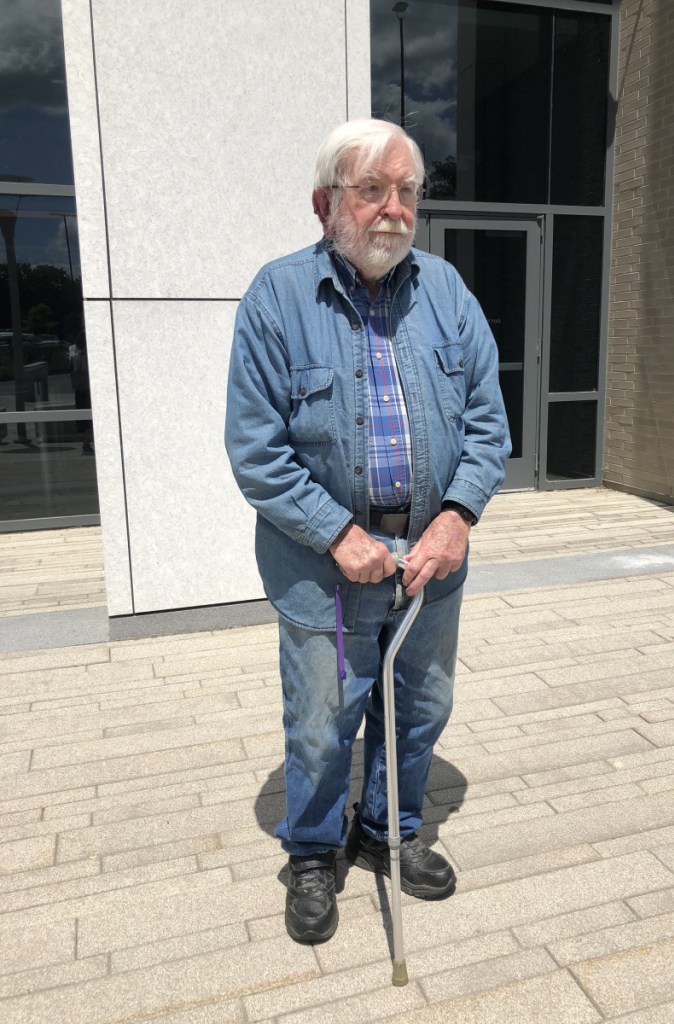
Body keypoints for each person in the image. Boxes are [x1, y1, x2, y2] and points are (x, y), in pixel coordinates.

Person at [225, 118, 510, 944]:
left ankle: (389, 828)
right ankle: (312, 851)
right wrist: (338, 534)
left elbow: (489, 426)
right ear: (325, 204)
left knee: (419, 706)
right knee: (322, 720)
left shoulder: (449, 293)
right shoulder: (276, 299)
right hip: (324, 569)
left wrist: (457, 517)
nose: (393, 209)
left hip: (431, 563)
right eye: (372, 190)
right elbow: (257, 451)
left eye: (409, 192)